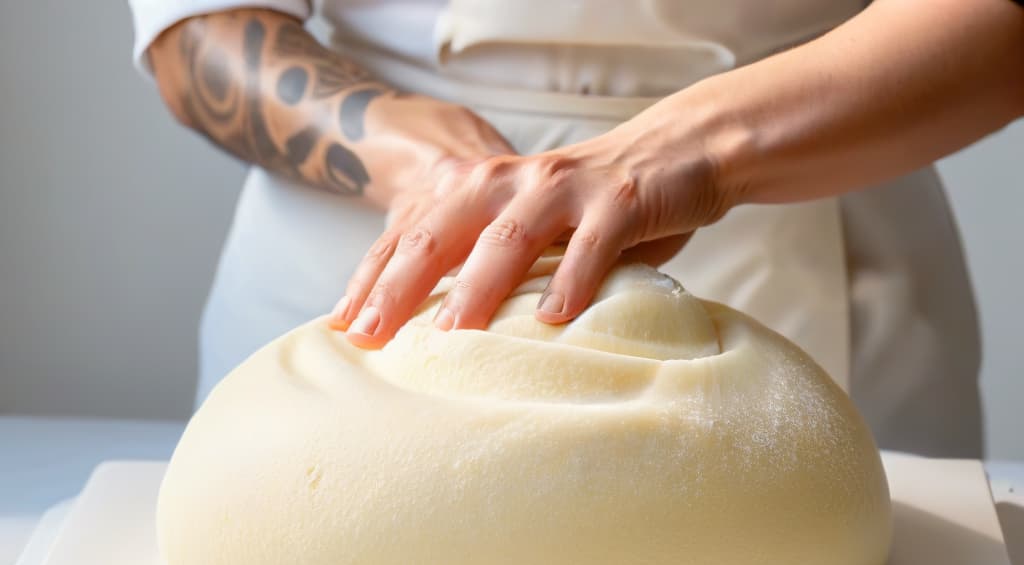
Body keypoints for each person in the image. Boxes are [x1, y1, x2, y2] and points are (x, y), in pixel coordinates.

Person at [128, 0, 1024, 458]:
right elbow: (194, 31)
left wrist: (705, 149)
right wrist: (431, 172)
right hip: (361, 241)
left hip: (805, 171)